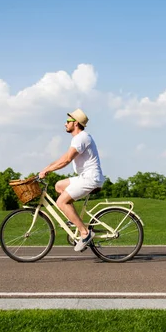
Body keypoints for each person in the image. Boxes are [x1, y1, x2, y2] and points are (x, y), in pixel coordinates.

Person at [39, 108, 105, 252]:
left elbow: (67, 160)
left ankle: (85, 233)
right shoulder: (78, 138)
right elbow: (63, 157)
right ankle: (73, 218)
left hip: (90, 178)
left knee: (61, 202)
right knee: (58, 186)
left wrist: (48, 170)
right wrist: (47, 167)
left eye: (67, 121)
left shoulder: (81, 137)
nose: (65, 124)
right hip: (85, 177)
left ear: (75, 123)